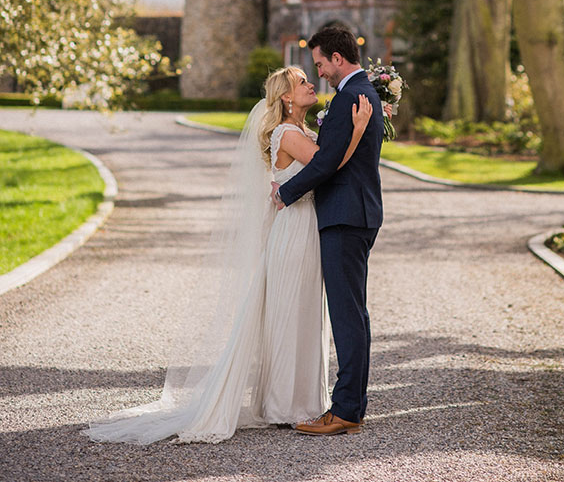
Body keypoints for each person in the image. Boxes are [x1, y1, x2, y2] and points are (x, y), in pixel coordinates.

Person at [83, 65, 371, 445]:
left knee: (303, 313)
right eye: (301, 81)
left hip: (304, 230)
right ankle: (286, 405)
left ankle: (297, 400)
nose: (309, 84)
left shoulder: (302, 131)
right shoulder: (287, 133)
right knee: (290, 311)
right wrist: (360, 130)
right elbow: (328, 166)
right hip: (294, 233)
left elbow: (322, 162)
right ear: (286, 96)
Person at [271, 24, 384, 436]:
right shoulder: (360, 95)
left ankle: (347, 409)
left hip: (345, 216)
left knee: (347, 316)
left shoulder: (351, 97)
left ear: (338, 59)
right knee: (353, 313)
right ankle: (351, 406)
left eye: (320, 63)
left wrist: (286, 192)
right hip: (354, 214)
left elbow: (326, 162)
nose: (318, 72)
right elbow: (337, 156)